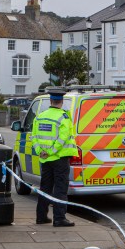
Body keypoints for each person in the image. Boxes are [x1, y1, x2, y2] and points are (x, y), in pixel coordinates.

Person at [30, 89, 76, 227]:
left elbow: (34, 137)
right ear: (61, 102)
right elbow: (63, 139)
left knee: (45, 187)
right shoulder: (64, 117)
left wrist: (41, 151)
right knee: (60, 188)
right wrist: (51, 151)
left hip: (45, 159)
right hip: (59, 158)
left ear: (50, 101)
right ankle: (59, 218)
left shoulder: (40, 116)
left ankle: (41, 216)